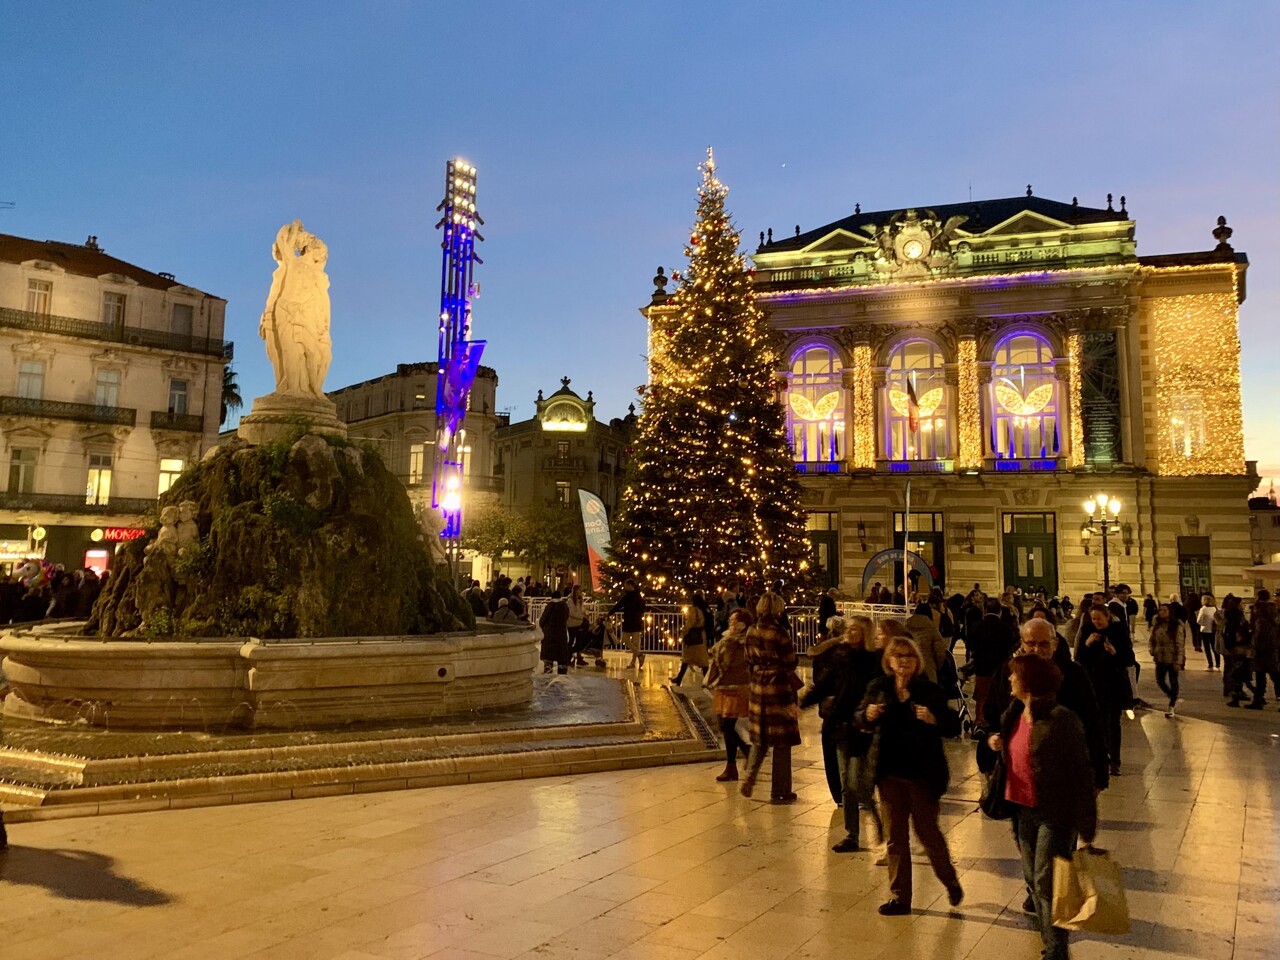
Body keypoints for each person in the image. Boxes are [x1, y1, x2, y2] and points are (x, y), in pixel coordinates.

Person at [988, 654, 1098, 960]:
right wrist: (996, 744)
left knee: (1045, 880)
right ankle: (1051, 940)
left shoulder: (1062, 719)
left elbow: (1081, 773)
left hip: (1055, 812)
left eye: (1014, 676)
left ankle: (1056, 950)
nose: (1009, 680)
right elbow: (1015, 755)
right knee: (1032, 879)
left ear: (1028, 682)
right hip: (1021, 808)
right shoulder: (1014, 713)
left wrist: (1087, 827)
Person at [857, 634, 963, 915]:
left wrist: (934, 719)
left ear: (917, 661)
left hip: (922, 775)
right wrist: (867, 715)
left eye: (909, 656)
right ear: (889, 661)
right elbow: (859, 719)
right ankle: (900, 896)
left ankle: (949, 880)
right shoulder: (879, 688)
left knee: (928, 833)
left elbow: (953, 726)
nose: (904, 661)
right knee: (896, 837)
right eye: (898, 656)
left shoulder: (928, 691)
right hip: (888, 774)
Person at [982, 617, 1110, 795]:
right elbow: (992, 713)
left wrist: (1100, 774)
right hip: (1019, 779)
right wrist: (991, 739)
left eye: (1043, 644)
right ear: (1022, 643)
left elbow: (1093, 722)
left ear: (1055, 644)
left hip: (1061, 775)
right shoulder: (1008, 673)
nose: (1037, 650)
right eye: (1031, 643)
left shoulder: (1074, 674)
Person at [802, 617, 883, 852]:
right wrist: (803, 703)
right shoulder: (840, 656)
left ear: (864, 633)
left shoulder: (873, 661)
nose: (849, 632)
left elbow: (878, 690)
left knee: (859, 784)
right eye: (848, 629)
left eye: (854, 629)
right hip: (840, 727)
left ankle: (877, 820)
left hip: (863, 728)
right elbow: (824, 686)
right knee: (847, 783)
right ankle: (852, 835)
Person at [740, 593, 801, 804]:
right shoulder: (779, 633)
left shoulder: (751, 630)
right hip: (778, 688)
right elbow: (791, 661)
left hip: (758, 687)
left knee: (760, 737)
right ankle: (780, 791)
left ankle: (749, 776)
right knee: (782, 742)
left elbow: (747, 658)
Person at [1074, 605, 1132, 776]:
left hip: (1113, 686)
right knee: (1095, 723)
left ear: (1107, 617)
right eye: (1094, 619)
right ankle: (1098, 758)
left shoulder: (1119, 632)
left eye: (1099, 618)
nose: (1096, 621)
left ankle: (1115, 760)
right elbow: (1079, 660)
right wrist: (1087, 643)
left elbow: (1129, 660)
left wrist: (1114, 653)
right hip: (1093, 686)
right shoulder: (1088, 632)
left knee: (1113, 724)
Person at [805, 615, 850, 805]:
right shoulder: (847, 652)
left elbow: (818, 682)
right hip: (844, 708)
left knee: (830, 755)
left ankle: (838, 795)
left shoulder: (821, 652)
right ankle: (849, 793)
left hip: (828, 710)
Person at [706, 609, 753, 781]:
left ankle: (732, 765)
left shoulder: (743, 642)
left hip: (737, 687)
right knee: (724, 725)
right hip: (723, 686)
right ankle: (744, 750)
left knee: (728, 725)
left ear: (742, 624)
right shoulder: (729, 639)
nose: (730, 624)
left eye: (734, 621)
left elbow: (731, 661)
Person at [1149, 602, 1187, 717]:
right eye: (1160, 610)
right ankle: (1173, 696)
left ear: (1170, 612)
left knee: (1173, 680)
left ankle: (1172, 705)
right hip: (1160, 657)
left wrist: (1178, 661)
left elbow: (1180, 644)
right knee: (1160, 680)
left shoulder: (1176, 625)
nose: (1161, 612)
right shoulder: (1157, 624)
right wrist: (1152, 650)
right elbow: (1152, 639)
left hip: (1172, 657)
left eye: (1164, 610)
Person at [1247, 589, 1280, 710]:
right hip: (1272, 649)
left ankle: (1258, 701)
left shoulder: (1260, 618)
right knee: (1273, 675)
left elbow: (1258, 635)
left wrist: (1254, 648)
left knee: (1264, 677)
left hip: (1262, 651)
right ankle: (1257, 700)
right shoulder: (1273, 613)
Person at [672, 591, 711, 686]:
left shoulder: (694, 610)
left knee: (687, 659)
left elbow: (690, 622)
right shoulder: (705, 609)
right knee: (703, 661)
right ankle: (707, 680)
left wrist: (683, 632)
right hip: (702, 636)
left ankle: (679, 678)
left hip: (693, 638)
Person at [607, 579, 646, 669]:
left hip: (633, 621)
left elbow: (619, 605)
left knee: (632, 642)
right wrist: (611, 612)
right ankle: (639, 656)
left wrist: (610, 612)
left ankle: (634, 661)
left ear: (630, 585)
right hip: (632, 621)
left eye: (626, 585)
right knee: (627, 640)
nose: (624, 587)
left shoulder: (634, 597)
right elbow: (619, 605)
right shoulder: (632, 596)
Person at [1220, 594, 1252, 705]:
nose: (1244, 605)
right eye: (1242, 603)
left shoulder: (1230, 616)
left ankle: (1236, 695)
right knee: (1239, 672)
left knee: (1236, 672)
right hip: (1239, 647)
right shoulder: (1237, 617)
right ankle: (1253, 694)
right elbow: (1237, 632)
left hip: (1234, 647)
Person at [904, 603, 948, 683]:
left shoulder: (906, 625)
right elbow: (940, 651)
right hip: (927, 666)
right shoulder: (932, 628)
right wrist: (937, 666)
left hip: (908, 666)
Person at [538, 590, 571, 673]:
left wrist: (544, 627)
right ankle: (562, 674)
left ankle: (548, 673)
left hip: (550, 635)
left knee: (549, 658)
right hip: (561, 635)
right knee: (561, 657)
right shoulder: (564, 606)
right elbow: (566, 617)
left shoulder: (550, 606)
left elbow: (543, 620)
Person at [1196, 594, 1220, 670]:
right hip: (1213, 630)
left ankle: (1210, 665)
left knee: (1207, 649)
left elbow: (1199, 621)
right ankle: (1218, 665)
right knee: (1215, 648)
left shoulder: (1203, 609)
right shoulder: (1215, 608)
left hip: (1205, 630)